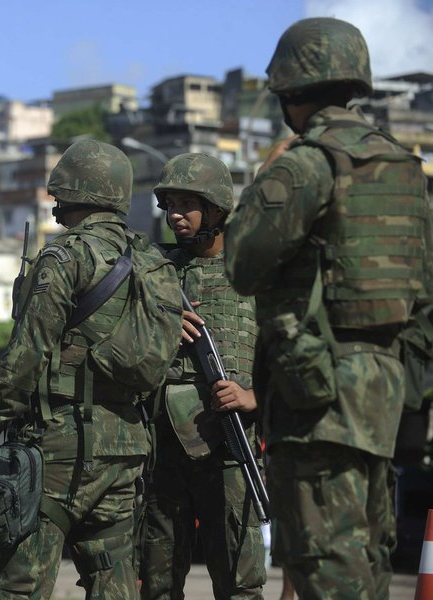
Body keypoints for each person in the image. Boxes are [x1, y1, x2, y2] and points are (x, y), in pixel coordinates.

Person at [224, 17, 431, 599]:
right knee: (365, 564)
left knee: (325, 571)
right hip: (383, 398)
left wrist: (265, 177)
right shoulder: (405, 171)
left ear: (291, 93)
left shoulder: (307, 165)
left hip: (315, 398)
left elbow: (241, 263)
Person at [0, 139, 179, 599]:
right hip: (126, 447)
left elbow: (25, 357)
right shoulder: (154, 262)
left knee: (14, 583)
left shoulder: (65, 257)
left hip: (58, 446)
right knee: (113, 580)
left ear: (72, 192)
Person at [140, 153, 266, 599]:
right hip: (162, 447)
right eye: (169, 203)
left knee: (239, 581)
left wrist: (255, 397)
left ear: (216, 210)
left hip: (230, 444)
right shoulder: (153, 273)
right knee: (156, 582)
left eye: (186, 204)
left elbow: (288, 352)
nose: (174, 214)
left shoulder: (253, 273)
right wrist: (159, 325)